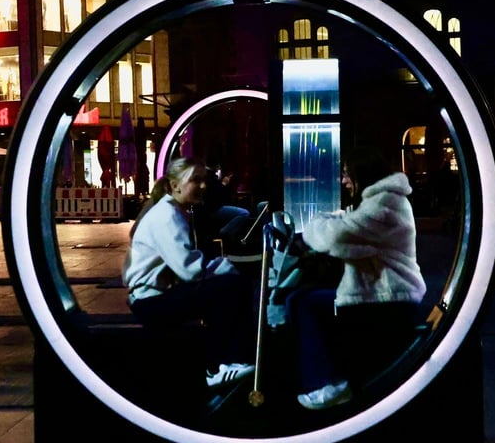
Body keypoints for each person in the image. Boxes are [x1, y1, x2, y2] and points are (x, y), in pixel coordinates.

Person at [289, 147, 426, 410]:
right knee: (306, 299)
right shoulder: (381, 201)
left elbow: (336, 237)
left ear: (362, 172)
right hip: (382, 292)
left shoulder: (386, 204)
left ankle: (326, 384)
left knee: (302, 303)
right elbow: (351, 225)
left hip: (388, 296)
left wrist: (315, 226)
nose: (343, 180)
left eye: (346, 174)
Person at [122, 156, 257, 391]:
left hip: (153, 297)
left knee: (226, 288)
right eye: (196, 180)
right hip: (150, 302)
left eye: (204, 181)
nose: (203, 186)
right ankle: (219, 365)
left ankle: (226, 360)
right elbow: (190, 269)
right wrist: (227, 266)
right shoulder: (167, 216)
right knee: (231, 287)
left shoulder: (173, 211)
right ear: (175, 185)